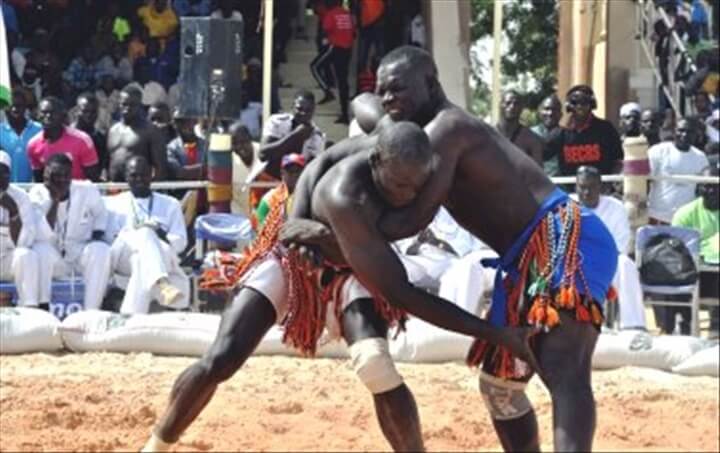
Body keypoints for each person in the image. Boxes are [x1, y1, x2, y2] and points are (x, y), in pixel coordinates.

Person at [284, 46, 618, 452]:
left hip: (562, 236)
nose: (389, 101)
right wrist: (300, 219)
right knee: (500, 388)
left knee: (564, 367)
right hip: (521, 259)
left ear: (431, 84)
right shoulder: (407, 133)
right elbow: (350, 123)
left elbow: (408, 222)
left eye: (399, 91)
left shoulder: (448, 129)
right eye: (385, 92)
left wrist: (333, 233)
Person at [141, 121, 535, 453]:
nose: (407, 197)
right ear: (377, 161)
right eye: (398, 185)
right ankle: (156, 445)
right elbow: (401, 293)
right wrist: (492, 333)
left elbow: (320, 163)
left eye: (416, 187)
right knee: (221, 358)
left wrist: (304, 224)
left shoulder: (392, 151)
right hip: (299, 262)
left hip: (353, 266)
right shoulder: (346, 194)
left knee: (376, 365)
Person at [29, 153, 112, 311]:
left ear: (71, 174)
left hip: (79, 253)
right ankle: (43, 306)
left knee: (100, 249)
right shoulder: (37, 193)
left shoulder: (86, 189)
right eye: (56, 175)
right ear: (46, 175)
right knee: (40, 249)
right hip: (54, 258)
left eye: (66, 175)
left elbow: (101, 214)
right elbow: (43, 233)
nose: (61, 180)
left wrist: (96, 235)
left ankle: (91, 311)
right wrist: (54, 200)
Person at [105, 156, 188, 314]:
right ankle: (162, 284)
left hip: (158, 257)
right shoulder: (111, 203)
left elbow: (180, 241)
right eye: (133, 175)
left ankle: (130, 317)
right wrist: (140, 234)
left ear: (152, 174)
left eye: (143, 175)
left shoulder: (170, 204)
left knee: (141, 259)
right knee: (144, 232)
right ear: (126, 177)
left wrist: (157, 235)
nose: (139, 179)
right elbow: (110, 240)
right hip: (122, 257)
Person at [573, 166, 646, 330]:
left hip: (607, 263)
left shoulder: (615, 207)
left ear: (601, 187)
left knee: (625, 264)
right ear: (576, 187)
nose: (586, 192)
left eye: (591, 187)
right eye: (582, 187)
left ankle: (633, 326)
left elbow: (622, 243)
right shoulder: (567, 207)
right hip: (575, 263)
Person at [672, 162, 719, 337]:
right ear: (699, 188)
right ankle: (684, 326)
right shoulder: (684, 214)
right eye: (708, 186)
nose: (713, 191)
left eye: (717, 186)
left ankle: (716, 326)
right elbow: (677, 251)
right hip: (693, 271)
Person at [546, 84, 624, 177]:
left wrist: (609, 183)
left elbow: (618, 161)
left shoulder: (606, 129)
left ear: (592, 104)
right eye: (575, 102)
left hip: (601, 189)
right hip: (569, 189)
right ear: (568, 106)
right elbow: (541, 154)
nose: (579, 106)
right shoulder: (560, 133)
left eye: (584, 102)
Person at [0, 151, 43, 308]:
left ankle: (29, 309)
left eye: (2, 172)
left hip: (9, 262)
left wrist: (14, 213)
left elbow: (25, 241)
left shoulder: (21, 196)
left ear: (9, 175)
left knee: (27, 255)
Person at [647, 118, 710, 224]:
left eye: (689, 132)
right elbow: (645, 181)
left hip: (686, 221)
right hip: (658, 218)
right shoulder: (658, 151)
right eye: (681, 130)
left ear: (696, 134)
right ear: (674, 131)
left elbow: (703, 189)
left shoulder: (701, 158)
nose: (684, 135)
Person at [27, 96, 101, 182]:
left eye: (53, 112)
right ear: (37, 115)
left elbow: (93, 179)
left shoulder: (82, 140)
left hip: (79, 193)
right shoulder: (33, 145)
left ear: (62, 115)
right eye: (44, 112)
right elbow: (39, 180)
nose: (48, 116)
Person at [259, 89, 326, 179]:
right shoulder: (277, 122)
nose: (303, 113)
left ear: (313, 111)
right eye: (299, 109)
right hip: (267, 180)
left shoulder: (317, 137)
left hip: (294, 186)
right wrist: (295, 135)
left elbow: (311, 170)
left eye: (308, 110)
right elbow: (263, 155)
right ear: (292, 107)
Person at [107, 86, 169, 181]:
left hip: (138, 188)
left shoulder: (150, 130)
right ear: (119, 104)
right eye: (124, 104)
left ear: (140, 106)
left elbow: (160, 167)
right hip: (114, 190)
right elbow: (107, 162)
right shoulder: (112, 130)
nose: (127, 108)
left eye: (132, 105)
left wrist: (151, 190)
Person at [309, 0, 355, 124]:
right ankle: (345, 114)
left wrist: (325, 41)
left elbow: (325, 31)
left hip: (335, 47)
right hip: (347, 49)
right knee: (342, 81)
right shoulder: (347, 14)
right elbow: (353, 32)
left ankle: (327, 90)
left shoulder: (331, 14)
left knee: (314, 67)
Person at [230, 122, 275, 219]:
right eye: (235, 143)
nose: (239, 147)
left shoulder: (264, 153)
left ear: (250, 138)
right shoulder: (228, 162)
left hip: (266, 217)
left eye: (243, 142)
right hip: (239, 219)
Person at [0, 88, 42, 182]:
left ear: (25, 107)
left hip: (32, 188)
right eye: (11, 106)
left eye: (19, 106)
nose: (14, 109)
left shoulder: (38, 129)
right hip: (5, 188)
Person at [254, 153, 304, 229]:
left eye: (297, 172)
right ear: (282, 173)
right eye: (290, 171)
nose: (294, 175)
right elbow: (259, 226)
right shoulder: (269, 198)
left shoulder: (308, 198)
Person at [495, 90, 543, 165]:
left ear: (521, 108)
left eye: (516, 103)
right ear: (501, 105)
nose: (512, 106)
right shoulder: (489, 134)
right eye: (508, 103)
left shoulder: (532, 139)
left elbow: (538, 172)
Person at [72, 93, 109, 180]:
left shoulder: (100, 138)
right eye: (85, 111)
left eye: (93, 112)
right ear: (77, 111)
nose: (89, 115)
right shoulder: (67, 136)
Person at [531, 94, 562, 176]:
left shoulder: (567, 135)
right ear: (539, 111)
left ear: (561, 114)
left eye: (555, 110)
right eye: (546, 109)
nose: (550, 113)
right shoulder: (529, 134)